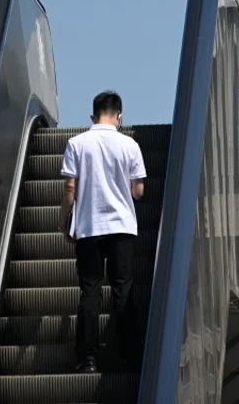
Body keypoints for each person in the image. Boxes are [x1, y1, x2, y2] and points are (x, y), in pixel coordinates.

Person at [59, 91, 146, 373]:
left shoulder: (77, 143)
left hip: (88, 229)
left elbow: (70, 188)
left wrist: (65, 221)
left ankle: (88, 359)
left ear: (92, 116)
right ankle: (129, 357)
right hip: (122, 228)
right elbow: (138, 191)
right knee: (123, 290)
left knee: (90, 292)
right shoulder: (130, 145)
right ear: (119, 116)